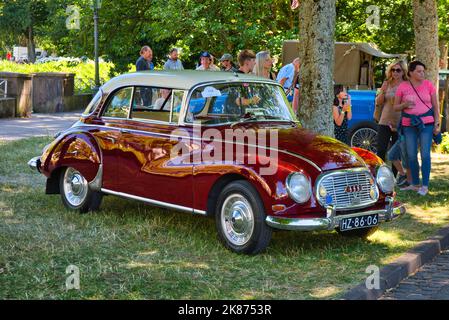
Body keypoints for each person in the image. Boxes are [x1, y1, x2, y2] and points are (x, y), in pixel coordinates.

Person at [394, 60, 441, 196]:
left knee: (425, 154)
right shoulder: (403, 86)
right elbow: (395, 107)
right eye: (419, 71)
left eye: (423, 71)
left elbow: (435, 106)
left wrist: (437, 123)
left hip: (427, 124)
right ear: (411, 73)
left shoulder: (428, 85)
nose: (422, 73)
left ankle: (424, 186)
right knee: (411, 155)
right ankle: (415, 184)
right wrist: (404, 105)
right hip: (409, 125)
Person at [375, 60, 408, 167]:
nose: (395, 72)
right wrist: (383, 91)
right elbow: (378, 102)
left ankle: (394, 178)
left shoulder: (407, 85)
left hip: (399, 122)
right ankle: (380, 176)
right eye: (393, 70)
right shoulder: (387, 83)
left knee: (396, 153)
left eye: (398, 70)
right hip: (384, 121)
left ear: (403, 71)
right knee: (380, 150)